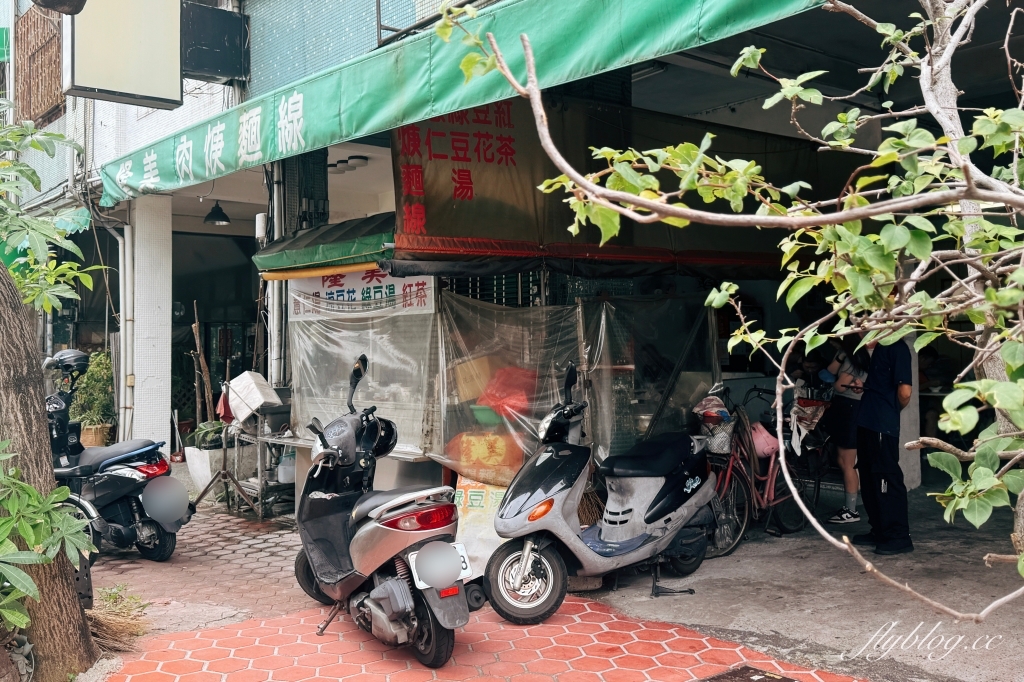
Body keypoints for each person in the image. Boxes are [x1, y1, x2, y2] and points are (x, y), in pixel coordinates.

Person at [853, 338, 914, 555]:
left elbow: (905, 392)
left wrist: (888, 409)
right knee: (869, 477)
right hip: (868, 421)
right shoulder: (880, 348)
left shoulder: (898, 347)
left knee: (886, 479)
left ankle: (897, 537)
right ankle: (879, 530)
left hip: (881, 424)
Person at [826, 336, 870, 524]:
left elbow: (839, 386)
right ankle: (850, 507)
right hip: (848, 409)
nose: (831, 345)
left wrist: (833, 384)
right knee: (843, 459)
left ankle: (851, 511)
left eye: (835, 343)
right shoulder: (851, 357)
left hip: (850, 409)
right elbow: (830, 371)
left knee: (848, 462)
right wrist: (840, 355)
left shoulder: (853, 363)